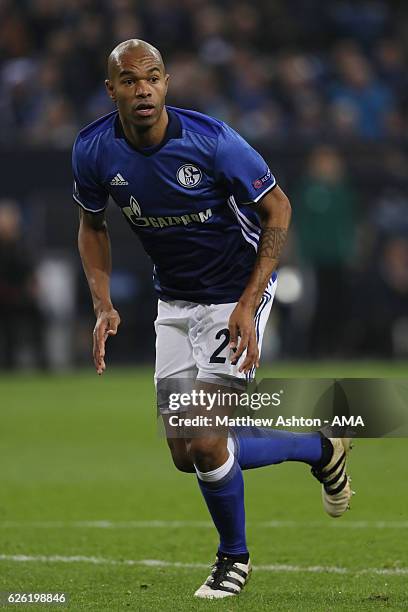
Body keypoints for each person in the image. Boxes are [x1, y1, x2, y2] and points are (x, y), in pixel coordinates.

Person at [73, 39, 353, 599]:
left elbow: (278, 206)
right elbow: (92, 225)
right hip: (173, 303)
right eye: (130, 81)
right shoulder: (93, 150)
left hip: (236, 293)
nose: (143, 89)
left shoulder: (212, 140)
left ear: (167, 82)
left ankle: (233, 560)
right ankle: (323, 447)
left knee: (205, 437)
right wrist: (103, 302)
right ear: (113, 91)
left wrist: (249, 303)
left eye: (152, 77)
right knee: (188, 453)